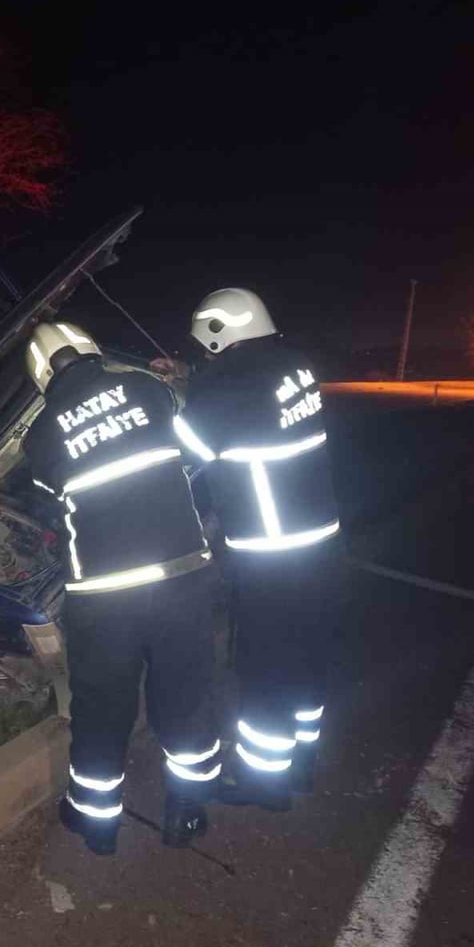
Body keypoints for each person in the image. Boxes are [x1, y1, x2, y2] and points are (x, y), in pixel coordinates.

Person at [24, 320, 225, 855]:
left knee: (102, 704)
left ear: (42, 374)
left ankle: (96, 823)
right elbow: (198, 452)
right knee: (186, 694)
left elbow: (54, 493)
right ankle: (186, 812)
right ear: (91, 349)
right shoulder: (147, 390)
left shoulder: (38, 437)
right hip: (181, 578)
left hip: (104, 596)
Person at [171, 288, 341, 808]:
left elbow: (184, 448)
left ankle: (265, 783)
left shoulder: (223, 389)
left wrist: (174, 390)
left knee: (264, 661)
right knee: (308, 651)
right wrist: (189, 378)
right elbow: (250, 405)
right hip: (318, 537)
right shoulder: (294, 364)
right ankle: (304, 761)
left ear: (218, 335)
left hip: (270, 549)